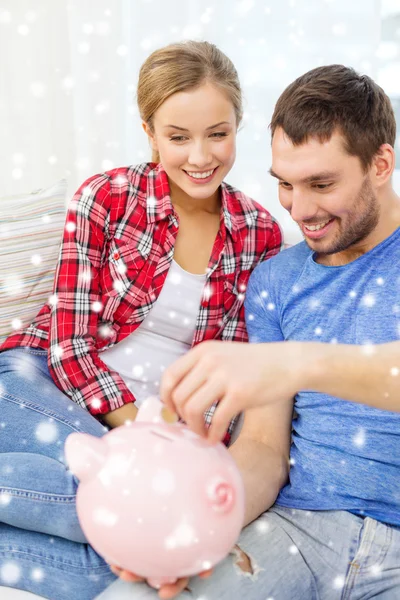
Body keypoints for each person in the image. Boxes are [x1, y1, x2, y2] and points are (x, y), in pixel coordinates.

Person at [0, 41, 281, 599]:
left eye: (217, 134)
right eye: (178, 137)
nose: (200, 156)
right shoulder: (106, 198)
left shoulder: (259, 232)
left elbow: (228, 372)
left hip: (160, 434)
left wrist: (178, 441)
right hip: (41, 384)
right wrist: (144, 439)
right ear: (150, 132)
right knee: (152, 521)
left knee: (140, 549)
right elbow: (68, 347)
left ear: (238, 126)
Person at [151, 65, 400, 599]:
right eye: (285, 184)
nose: (300, 210)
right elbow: (264, 446)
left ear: (380, 163)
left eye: (321, 184)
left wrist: (298, 362)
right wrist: (201, 522)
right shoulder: (276, 280)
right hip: (299, 532)